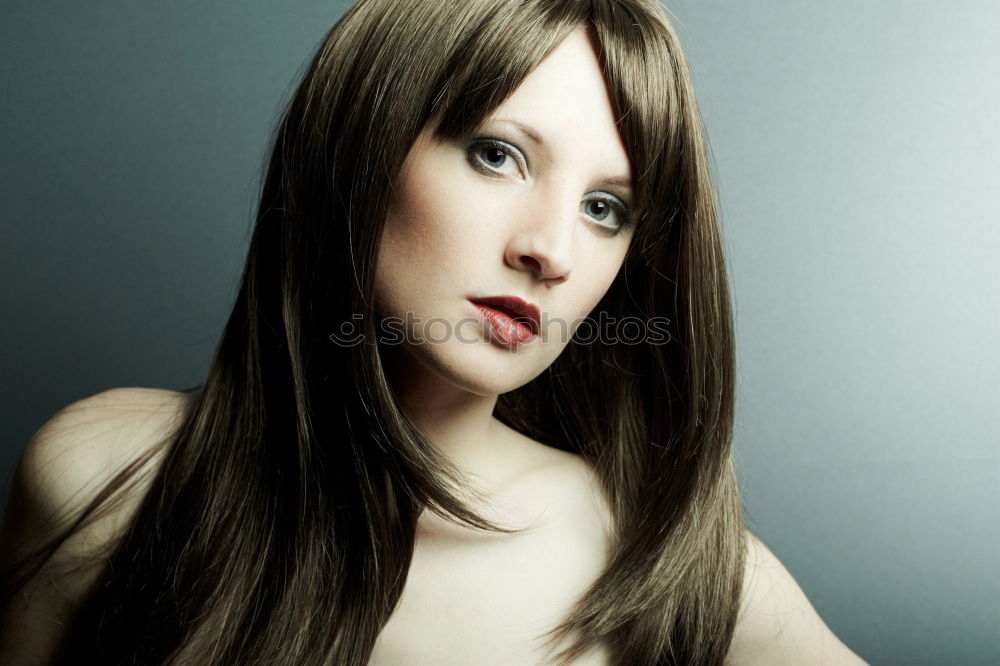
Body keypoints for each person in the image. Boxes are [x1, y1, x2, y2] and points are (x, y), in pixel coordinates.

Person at [0, 0, 868, 664]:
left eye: (606, 209)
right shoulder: (102, 480)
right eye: (498, 153)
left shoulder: (664, 561)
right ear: (360, 148)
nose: (551, 251)